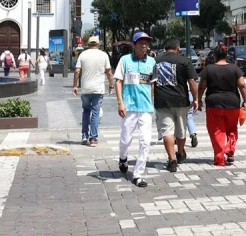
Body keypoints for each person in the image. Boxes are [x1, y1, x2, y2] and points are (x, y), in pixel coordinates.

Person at [115, 31, 157, 187]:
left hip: (146, 108)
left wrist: (152, 101)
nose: (144, 45)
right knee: (126, 140)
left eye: (146, 43)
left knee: (145, 141)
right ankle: (123, 158)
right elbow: (118, 82)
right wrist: (120, 102)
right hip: (129, 107)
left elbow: (152, 84)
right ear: (134, 45)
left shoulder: (152, 62)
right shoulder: (125, 60)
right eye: (141, 43)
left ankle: (138, 174)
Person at [153, 39, 199, 172]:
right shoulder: (184, 61)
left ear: (165, 48)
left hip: (162, 101)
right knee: (181, 129)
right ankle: (180, 152)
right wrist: (196, 99)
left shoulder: (155, 61)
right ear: (178, 48)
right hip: (181, 100)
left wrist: (151, 98)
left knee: (166, 130)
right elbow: (192, 81)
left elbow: (151, 82)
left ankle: (172, 159)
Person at [198, 46, 246, 167]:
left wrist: (198, 99)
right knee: (232, 128)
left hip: (213, 104)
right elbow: (242, 85)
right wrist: (245, 100)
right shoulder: (234, 68)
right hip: (232, 103)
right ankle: (229, 149)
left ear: (215, 56)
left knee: (216, 131)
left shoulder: (208, 69)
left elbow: (202, 86)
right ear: (226, 56)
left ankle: (219, 158)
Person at [73, 39, 112, 146]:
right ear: (98, 44)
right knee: (95, 112)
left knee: (86, 111)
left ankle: (84, 135)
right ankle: (93, 138)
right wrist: (111, 85)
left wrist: (75, 85)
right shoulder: (104, 55)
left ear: (88, 44)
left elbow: (77, 71)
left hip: (85, 89)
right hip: (98, 89)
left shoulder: (83, 55)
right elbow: (109, 72)